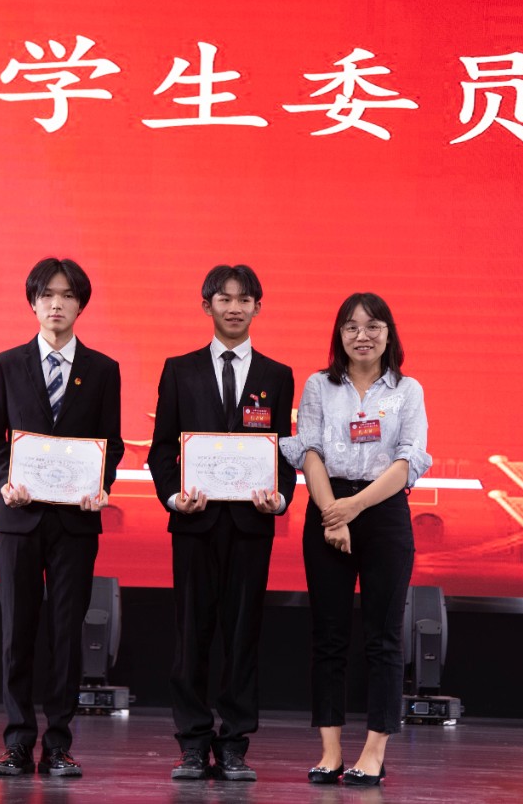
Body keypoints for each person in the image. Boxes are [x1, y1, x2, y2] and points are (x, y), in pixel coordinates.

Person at [147, 264, 296, 782]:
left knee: (242, 636)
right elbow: (162, 449)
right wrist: (173, 496)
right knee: (192, 636)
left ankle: (234, 744)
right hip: (194, 523)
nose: (234, 308)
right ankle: (192, 744)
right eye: (224, 299)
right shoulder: (179, 370)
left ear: (258, 307)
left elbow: (284, 450)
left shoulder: (277, 376)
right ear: (206, 305)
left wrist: (280, 496)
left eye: (244, 299)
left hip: (252, 525)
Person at [0, 257, 124, 778]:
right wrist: (5, 483)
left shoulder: (103, 370)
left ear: (81, 304)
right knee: (17, 634)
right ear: (33, 303)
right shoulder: (6, 364)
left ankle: (58, 744)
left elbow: (111, 443)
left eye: (67, 295)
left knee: (67, 634)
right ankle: (18, 742)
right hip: (19, 519)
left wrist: (100, 485)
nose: (56, 304)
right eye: (47, 295)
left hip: (75, 524)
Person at [280, 292, 432, 787]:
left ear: (389, 334)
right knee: (328, 637)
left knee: (383, 638)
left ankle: (373, 751)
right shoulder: (319, 386)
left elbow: (408, 460)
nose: (361, 336)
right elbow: (309, 452)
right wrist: (332, 514)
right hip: (328, 507)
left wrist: (354, 508)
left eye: (372, 326)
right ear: (339, 335)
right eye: (351, 327)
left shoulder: (407, 390)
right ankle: (329, 751)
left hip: (383, 511)